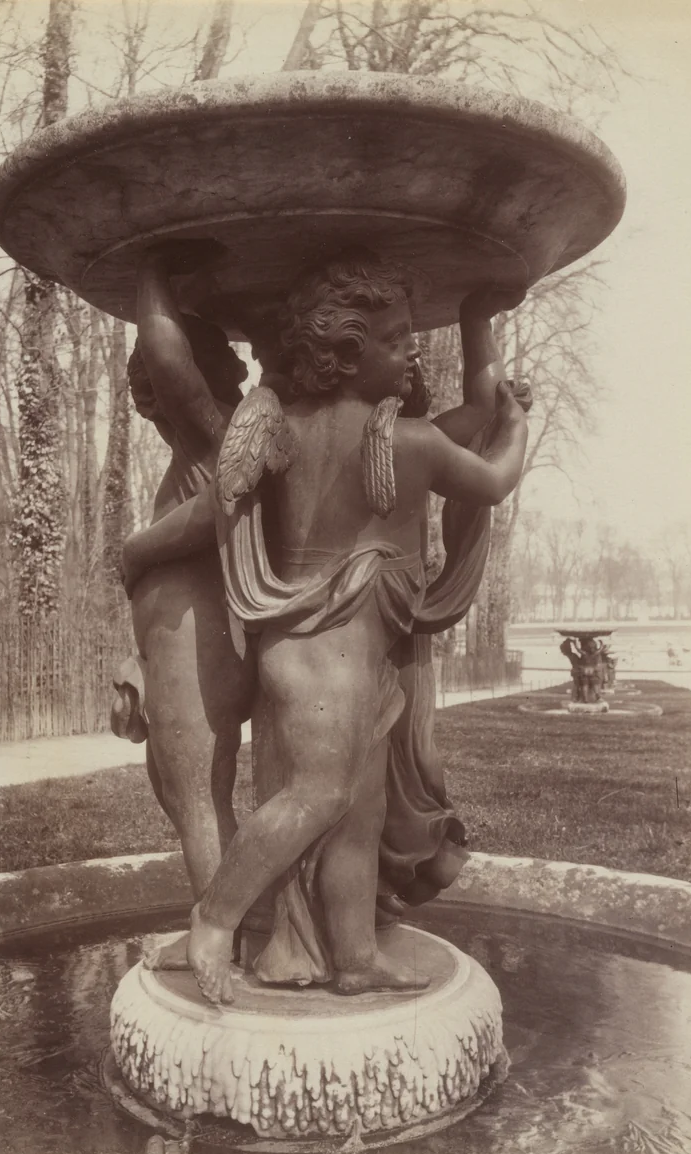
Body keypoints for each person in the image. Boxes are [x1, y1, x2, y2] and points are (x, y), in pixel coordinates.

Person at [187, 251, 529, 1004]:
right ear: (346, 353)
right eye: (398, 339)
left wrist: (480, 325)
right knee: (315, 795)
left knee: (359, 810)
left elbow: (471, 412)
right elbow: (495, 471)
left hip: (339, 654)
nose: (411, 350)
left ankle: (353, 958)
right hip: (328, 655)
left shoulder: (296, 427)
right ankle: (214, 919)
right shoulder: (407, 443)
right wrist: (518, 421)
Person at [111, 245, 255, 969]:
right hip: (178, 638)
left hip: (198, 638)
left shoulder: (221, 431)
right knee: (180, 787)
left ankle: (218, 945)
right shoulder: (208, 441)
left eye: (153, 387)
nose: (148, 398)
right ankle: (231, 922)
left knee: (198, 789)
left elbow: (212, 515)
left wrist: (150, 272)